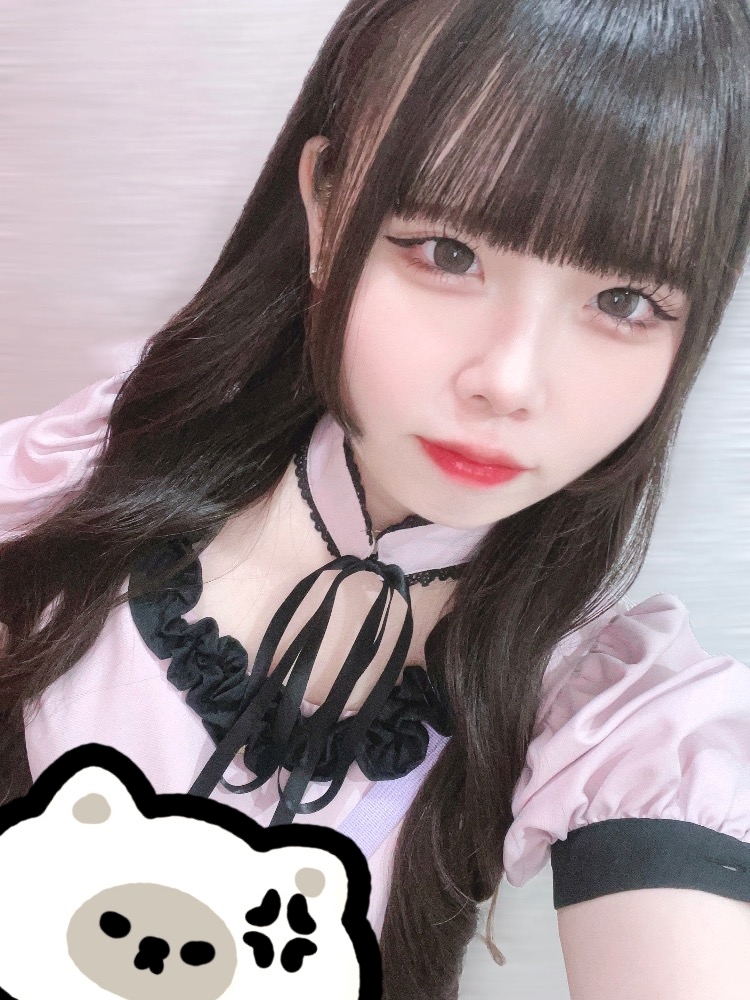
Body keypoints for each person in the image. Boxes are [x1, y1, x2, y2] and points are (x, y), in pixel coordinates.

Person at [1, 0, 749, 997]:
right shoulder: (70, 489)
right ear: (326, 208)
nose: (509, 382)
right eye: (449, 252)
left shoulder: (617, 716)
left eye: (624, 302)